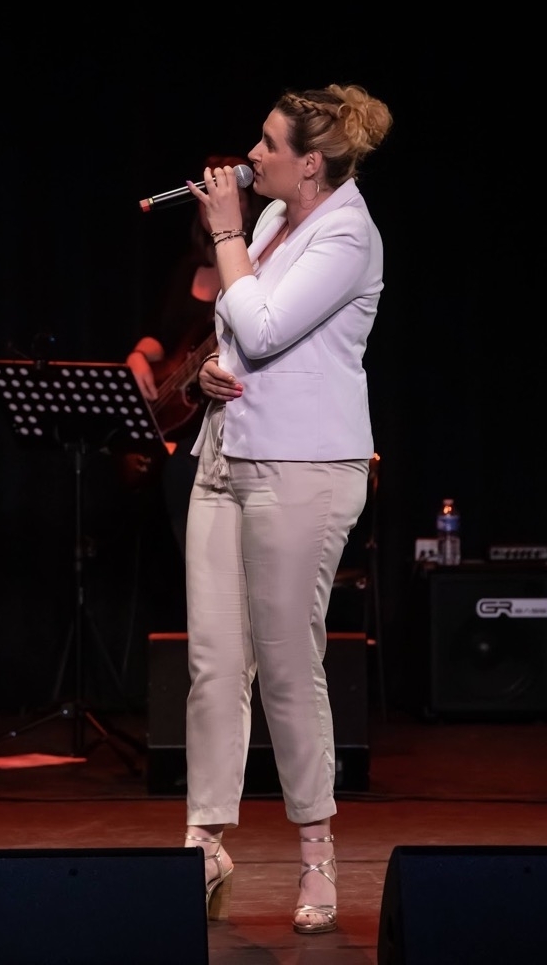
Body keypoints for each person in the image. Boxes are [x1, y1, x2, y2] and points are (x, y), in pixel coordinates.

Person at [181, 83, 393, 933]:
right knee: (214, 661)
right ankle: (205, 841)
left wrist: (224, 231)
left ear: (311, 164)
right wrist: (211, 370)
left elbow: (268, 329)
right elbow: (242, 334)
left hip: (302, 468)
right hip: (225, 455)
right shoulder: (273, 218)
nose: (251, 155)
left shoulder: (348, 234)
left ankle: (316, 850)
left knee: (286, 662)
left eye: (269, 144)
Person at [124, 155, 265, 559]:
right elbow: (161, 336)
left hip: (227, 415)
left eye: (226, 192)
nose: (212, 201)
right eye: (207, 192)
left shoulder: (255, 263)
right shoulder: (188, 268)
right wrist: (138, 356)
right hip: (178, 415)